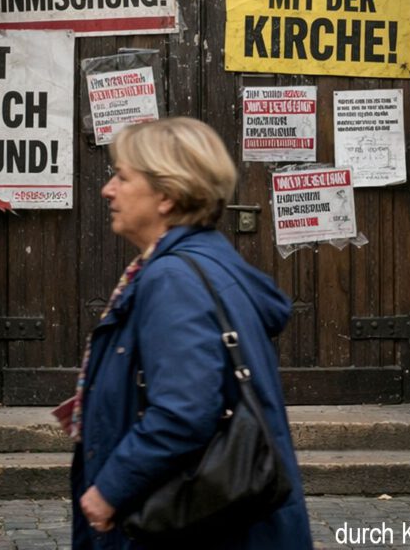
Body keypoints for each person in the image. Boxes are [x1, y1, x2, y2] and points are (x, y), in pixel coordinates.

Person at [63, 116, 312, 549]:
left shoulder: (173, 278)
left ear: (166, 195)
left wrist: (108, 492)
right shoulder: (206, 263)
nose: (108, 189)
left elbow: (183, 412)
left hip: (190, 524)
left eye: (122, 177)